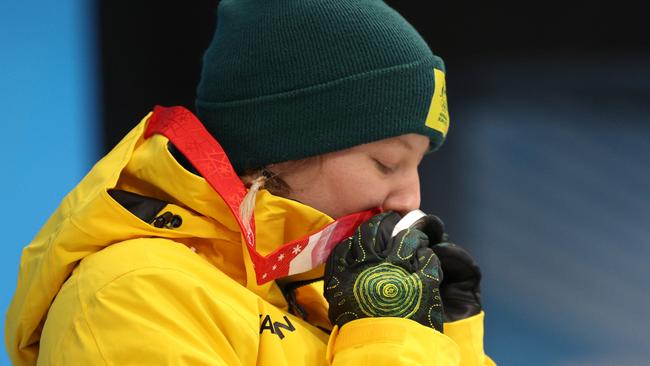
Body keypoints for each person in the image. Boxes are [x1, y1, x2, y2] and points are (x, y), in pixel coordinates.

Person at [6, 0, 494, 365]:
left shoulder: (326, 298)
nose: (411, 197)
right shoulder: (133, 295)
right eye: (386, 163)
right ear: (281, 148)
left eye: (418, 165)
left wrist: (444, 332)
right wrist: (394, 334)